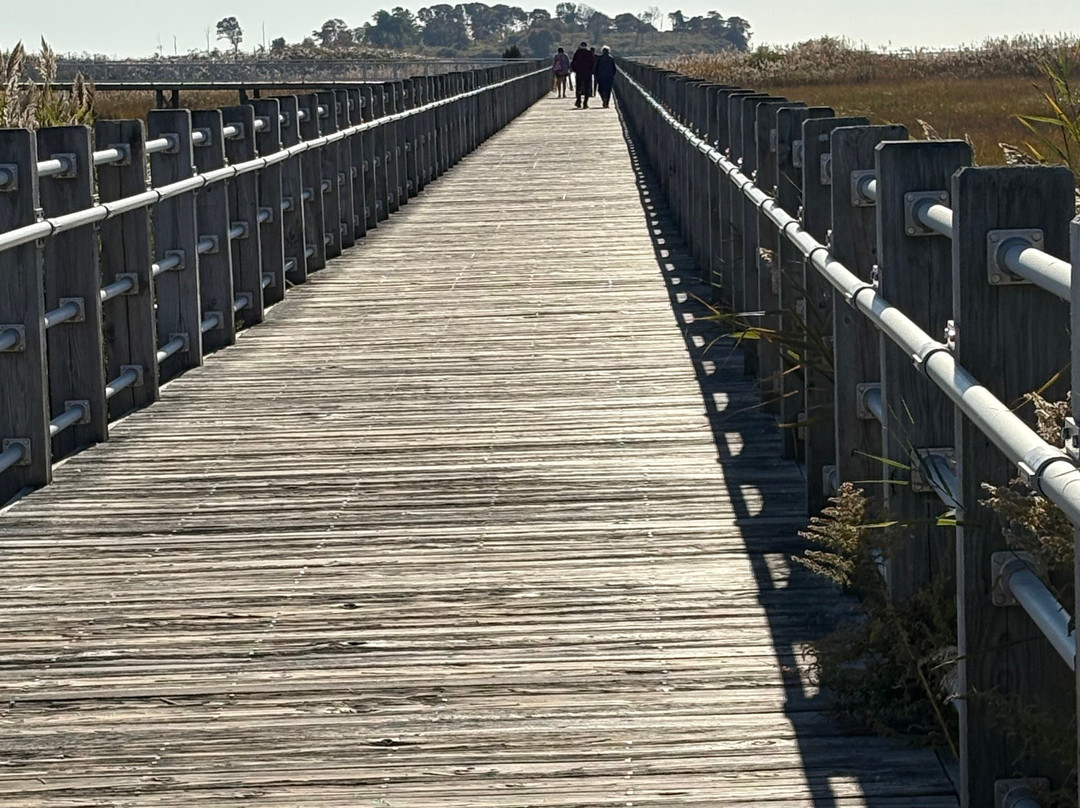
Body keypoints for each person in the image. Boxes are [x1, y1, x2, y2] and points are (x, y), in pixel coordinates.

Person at [570, 41, 595, 108]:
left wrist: (574, 70)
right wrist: (591, 71)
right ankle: (585, 103)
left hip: (579, 72)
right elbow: (592, 63)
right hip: (587, 73)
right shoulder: (589, 53)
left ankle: (579, 101)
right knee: (587, 88)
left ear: (580, 46)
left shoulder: (577, 53)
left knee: (578, 87)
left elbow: (573, 63)